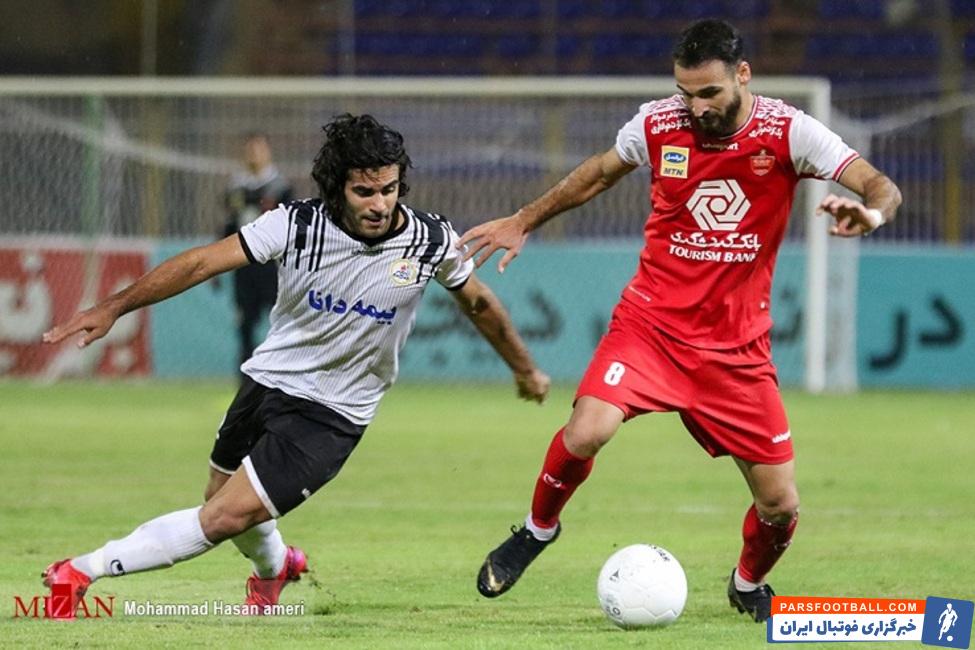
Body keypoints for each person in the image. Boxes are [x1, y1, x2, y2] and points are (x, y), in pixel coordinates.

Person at [461, 19, 901, 623]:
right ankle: (537, 530)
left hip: (736, 351)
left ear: (742, 75)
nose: (695, 108)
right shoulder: (657, 123)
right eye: (685, 92)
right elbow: (598, 173)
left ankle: (747, 584)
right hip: (651, 329)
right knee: (587, 432)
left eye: (709, 93)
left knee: (780, 505)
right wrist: (524, 219)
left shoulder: (790, 132)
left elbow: (879, 185)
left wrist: (871, 215)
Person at [41, 114, 550, 618]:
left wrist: (523, 368)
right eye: (364, 192)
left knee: (222, 517)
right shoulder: (296, 225)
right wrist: (114, 306)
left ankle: (81, 570)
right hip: (267, 382)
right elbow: (200, 263)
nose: (380, 204)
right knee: (222, 501)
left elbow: (478, 303)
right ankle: (277, 568)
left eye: (389, 190)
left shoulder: (430, 240)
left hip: (334, 411)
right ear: (337, 189)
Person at [220, 132, 294, 372]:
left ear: (268, 152)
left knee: (282, 324)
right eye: (250, 150)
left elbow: (290, 228)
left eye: (258, 149)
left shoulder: (281, 187)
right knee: (245, 326)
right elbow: (228, 227)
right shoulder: (235, 188)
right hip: (243, 266)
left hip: (273, 267)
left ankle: (283, 375)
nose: (254, 155)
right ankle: (246, 381)